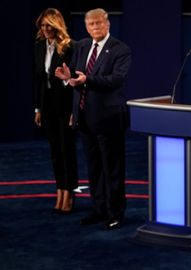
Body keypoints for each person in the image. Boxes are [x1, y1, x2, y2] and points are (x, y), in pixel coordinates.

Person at [55, 8, 131, 230]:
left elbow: (115, 80)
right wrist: (69, 81)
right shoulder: (82, 46)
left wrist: (86, 80)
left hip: (108, 118)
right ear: (86, 27)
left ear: (108, 24)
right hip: (84, 117)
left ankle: (115, 212)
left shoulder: (120, 49)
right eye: (91, 25)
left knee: (112, 168)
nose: (95, 27)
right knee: (94, 167)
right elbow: (76, 80)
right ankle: (98, 210)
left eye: (99, 23)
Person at [34, 8, 78, 214]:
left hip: (65, 105)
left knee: (66, 149)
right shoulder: (39, 46)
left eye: (49, 25)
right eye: (42, 26)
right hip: (48, 105)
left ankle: (69, 192)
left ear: (56, 25)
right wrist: (38, 108)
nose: (45, 29)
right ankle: (59, 189)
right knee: (54, 151)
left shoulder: (69, 48)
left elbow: (75, 81)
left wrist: (74, 110)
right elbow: (39, 81)